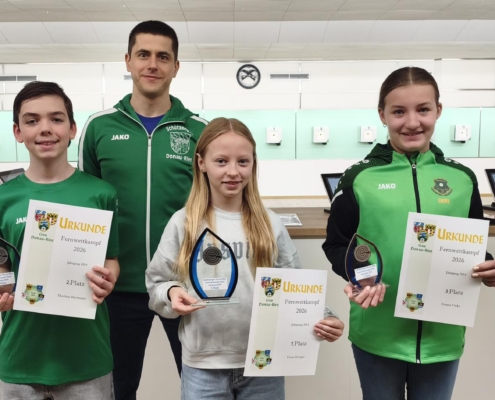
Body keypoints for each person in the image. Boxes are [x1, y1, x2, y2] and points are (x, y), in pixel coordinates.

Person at [322, 66, 495, 400]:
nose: (412, 122)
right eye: (399, 111)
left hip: (442, 337)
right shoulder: (359, 178)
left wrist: (487, 268)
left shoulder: (462, 179)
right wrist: (363, 277)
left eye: (423, 109)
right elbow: (338, 244)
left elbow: (472, 248)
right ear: (382, 114)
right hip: (377, 332)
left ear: (438, 110)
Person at [146, 117, 344, 400]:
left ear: (253, 163)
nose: (233, 171)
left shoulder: (270, 224)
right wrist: (172, 292)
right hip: (203, 366)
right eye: (221, 161)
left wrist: (324, 317)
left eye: (243, 161)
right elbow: (157, 283)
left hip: (264, 363)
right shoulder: (184, 223)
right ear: (201, 163)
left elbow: (296, 288)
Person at [78, 20, 207, 399]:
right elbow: (86, 206)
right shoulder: (99, 127)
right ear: (128, 61)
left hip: (183, 284)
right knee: (119, 388)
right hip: (117, 287)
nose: (152, 64)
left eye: (163, 57)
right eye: (144, 55)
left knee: (201, 385)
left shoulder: (198, 130)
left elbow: (213, 207)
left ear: (176, 66)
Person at [0, 81, 119, 399]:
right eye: (32, 120)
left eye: (56, 118)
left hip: (86, 359)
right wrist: (1, 289)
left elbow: (111, 258)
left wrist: (108, 279)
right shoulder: (3, 199)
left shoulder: (101, 194)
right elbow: (2, 266)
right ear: (17, 132)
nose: (45, 128)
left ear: (72, 129)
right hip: (20, 358)